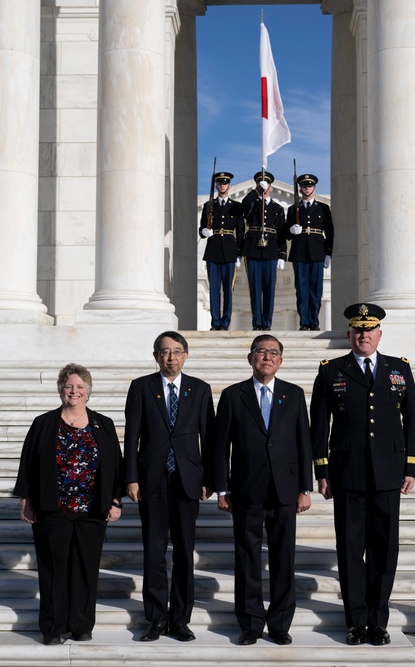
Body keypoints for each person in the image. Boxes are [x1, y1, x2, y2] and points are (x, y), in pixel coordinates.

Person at [310, 303, 415, 646]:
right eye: (358, 330)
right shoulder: (332, 370)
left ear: (379, 334)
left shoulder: (398, 369)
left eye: (369, 330)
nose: (363, 335)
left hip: (388, 473)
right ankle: (356, 621)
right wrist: (322, 470)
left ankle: (378, 620)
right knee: (349, 548)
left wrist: (411, 468)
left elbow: (413, 420)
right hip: (347, 473)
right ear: (349, 335)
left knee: (384, 550)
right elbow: (319, 424)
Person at [212, 334, 313, 646]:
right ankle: (251, 623)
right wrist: (221, 489)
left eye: (273, 353)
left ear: (280, 361)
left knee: (284, 559)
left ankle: (280, 623)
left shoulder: (294, 395)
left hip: (285, 490)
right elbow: (219, 447)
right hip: (246, 491)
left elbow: (303, 443)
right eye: (260, 351)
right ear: (250, 358)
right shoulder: (232, 395)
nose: (267, 357)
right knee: (247, 560)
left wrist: (305, 488)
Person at [14, 363, 123, 645]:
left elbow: (115, 466)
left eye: (79, 387)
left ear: (88, 392)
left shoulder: (104, 424)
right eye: (68, 386)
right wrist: (26, 501)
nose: (74, 391)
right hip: (53, 509)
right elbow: (27, 463)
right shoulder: (44, 423)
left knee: (86, 569)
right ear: (61, 390)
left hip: (92, 510)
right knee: (53, 570)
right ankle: (53, 627)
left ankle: (81, 625)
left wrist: (114, 500)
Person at [123, 332, 215, 642]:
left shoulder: (200, 390)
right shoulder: (141, 387)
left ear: (186, 355)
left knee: (184, 553)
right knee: (154, 552)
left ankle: (180, 620)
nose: (171, 357)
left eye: (177, 351)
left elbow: (210, 439)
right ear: (156, 356)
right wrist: (131, 478)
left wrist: (210, 479)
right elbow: (131, 437)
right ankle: (155, 619)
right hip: (152, 480)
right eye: (164, 352)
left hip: (188, 480)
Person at [285, 174, 334, 331]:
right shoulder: (294, 209)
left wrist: (328, 253)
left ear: (314, 188)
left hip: (317, 251)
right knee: (301, 289)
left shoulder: (323, 208)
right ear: (300, 189)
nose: (307, 188)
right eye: (304, 186)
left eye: (310, 186)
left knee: (316, 290)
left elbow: (330, 232)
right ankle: (304, 321)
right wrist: (292, 230)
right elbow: (286, 233)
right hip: (299, 251)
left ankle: (314, 321)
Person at [241, 170, 287, 331]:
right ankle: (257, 322)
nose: (264, 188)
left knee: (269, 289)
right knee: (255, 288)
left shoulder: (278, 208)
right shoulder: (252, 204)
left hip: (271, 251)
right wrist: (257, 191)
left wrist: (282, 255)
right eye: (261, 185)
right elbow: (243, 205)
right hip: (253, 249)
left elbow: (281, 233)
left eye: (266, 185)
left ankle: (266, 322)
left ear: (271, 187)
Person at [200, 171, 244, 331]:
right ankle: (215, 322)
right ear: (216, 186)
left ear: (229, 186)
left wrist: (239, 253)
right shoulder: (208, 206)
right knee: (213, 290)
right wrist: (204, 231)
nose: (222, 186)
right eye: (219, 183)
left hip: (229, 250)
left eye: (225, 183)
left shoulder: (236, 206)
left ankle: (225, 322)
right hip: (213, 250)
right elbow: (202, 227)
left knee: (228, 290)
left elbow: (240, 230)